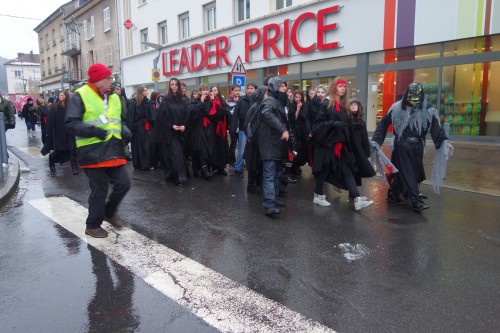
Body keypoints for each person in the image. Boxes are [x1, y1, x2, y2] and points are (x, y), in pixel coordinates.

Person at [65, 63, 132, 238]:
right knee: (100, 190)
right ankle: (92, 225)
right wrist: (94, 131)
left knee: (124, 184)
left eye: (112, 77)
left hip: (113, 151)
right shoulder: (81, 96)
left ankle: (108, 213)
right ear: (97, 80)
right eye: (108, 78)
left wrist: (125, 131)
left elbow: (117, 121)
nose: (112, 81)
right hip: (91, 152)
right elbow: (71, 123)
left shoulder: (114, 97)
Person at [371, 82, 453, 211]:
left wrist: (444, 142)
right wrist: (376, 141)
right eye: (411, 95)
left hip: (418, 146)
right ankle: (415, 200)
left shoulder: (429, 110)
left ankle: (393, 193)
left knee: (410, 171)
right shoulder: (396, 108)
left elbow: (437, 129)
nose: (414, 99)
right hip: (401, 145)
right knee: (407, 171)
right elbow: (383, 125)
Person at [312, 78, 374, 210]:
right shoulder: (327, 103)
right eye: (340, 86)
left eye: (344, 87)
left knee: (347, 170)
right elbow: (317, 125)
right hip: (328, 144)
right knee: (325, 169)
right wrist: (331, 124)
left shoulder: (343, 104)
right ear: (334, 87)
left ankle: (357, 198)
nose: (342, 89)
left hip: (341, 144)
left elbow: (347, 123)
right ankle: (318, 195)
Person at [257, 77, 289, 216]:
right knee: (270, 174)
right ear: (275, 87)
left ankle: (273, 199)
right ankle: (269, 204)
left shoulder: (277, 101)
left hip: (276, 144)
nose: (285, 88)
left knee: (276, 173)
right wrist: (283, 129)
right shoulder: (270, 101)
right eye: (281, 86)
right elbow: (266, 113)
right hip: (269, 144)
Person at [155, 78, 190, 186]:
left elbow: (187, 115)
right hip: (170, 132)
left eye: (176, 84)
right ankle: (180, 178)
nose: (174, 86)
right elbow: (162, 117)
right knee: (176, 154)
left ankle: (172, 175)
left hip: (180, 132)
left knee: (176, 154)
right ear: (170, 86)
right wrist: (171, 126)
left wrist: (184, 125)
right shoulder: (165, 100)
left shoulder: (183, 100)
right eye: (172, 84)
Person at [42, 91, 79, 175]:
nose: (60, 96)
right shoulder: (55, 107)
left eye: (62, 95)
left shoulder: (70, 107)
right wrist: (49, 131)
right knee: (59, 151)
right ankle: (51, 160)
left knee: (72, 150)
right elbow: (51, 121)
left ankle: (74, 168)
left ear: (66, 96)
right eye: (59, 95)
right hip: (59, 132)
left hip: (69, 132)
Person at [186, 84, 213, 180]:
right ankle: (204, 171)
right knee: (200, 149)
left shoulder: (209, 101)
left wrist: (212, 101)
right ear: (200, 91)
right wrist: (201, 102)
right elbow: (193, 113)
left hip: (207, 129)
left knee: (205, 149)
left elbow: (212, 113)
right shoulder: (195, 102)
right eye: (203, 90)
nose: (205, 91)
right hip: (197, 129)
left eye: (207, 89)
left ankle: (199, 169)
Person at [243, 86, 267, 194]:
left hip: (260, 142)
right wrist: (252, 138)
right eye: (266, 94)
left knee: (259, 165)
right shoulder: (255, 107)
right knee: (253, 165)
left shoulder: (263, 106)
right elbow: (247, 125)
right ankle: (251, 186)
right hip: (253, 142)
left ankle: (257, 184)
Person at [231, 83, 257, 177]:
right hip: (243, 129)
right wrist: (233, 129)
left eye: (252, 88)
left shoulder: (257, 100)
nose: (250, 90)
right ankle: (238, 169)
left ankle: (253, 169)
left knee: (253, 150)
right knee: (241, 150)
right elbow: (235, 115)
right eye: (248, 88)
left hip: (255, 129)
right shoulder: (241, 100)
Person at [127, 85, 153, 170]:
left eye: (147, 90)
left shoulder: (147, 101)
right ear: (141, 91)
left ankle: (145, 163)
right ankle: (140, 164)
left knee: (145, 146)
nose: (147, 92)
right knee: (138, 146)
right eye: (145, 90)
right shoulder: (134, 102)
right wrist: (133, 127)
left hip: (144, 126)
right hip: (138, 127)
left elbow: (150, 115)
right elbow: (130, 116)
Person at [226, 83, 241, 168]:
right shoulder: (228, 101)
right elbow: (228, 114)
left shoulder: (242, 100)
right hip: (233, 127)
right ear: (232, 91)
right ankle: (232, 161)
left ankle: (240, 161)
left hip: (241, 126)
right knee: (233, 144)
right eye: (236, 90)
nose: (237, 92)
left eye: (239, 90)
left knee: (241, 146)